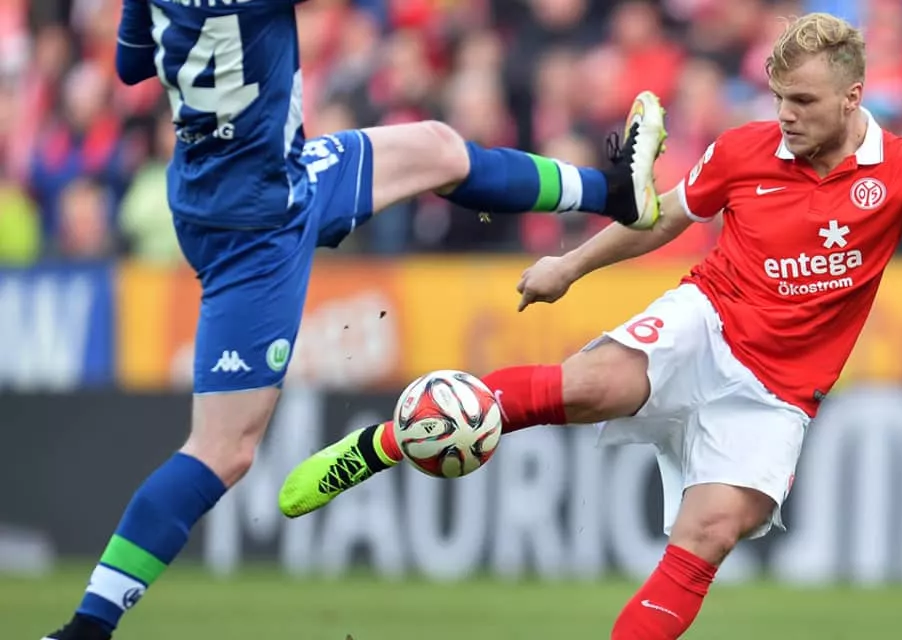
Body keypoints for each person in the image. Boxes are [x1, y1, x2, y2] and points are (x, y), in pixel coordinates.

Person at [279, 12, 902, 640]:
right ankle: (382, 444)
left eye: (803, 101)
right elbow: (665, 217)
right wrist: (568, 266)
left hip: (779, 391)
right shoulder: (745, 150)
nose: (785, 115)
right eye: (779, 97)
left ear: (853, 98)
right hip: (707, 320)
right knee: (591, 387)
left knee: (710, 532)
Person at [42, 1, 667, 639]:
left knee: (436, 149)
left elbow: (129, 66)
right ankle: (89, 626)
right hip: (257, 224)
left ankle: (613, 192)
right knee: (222, 449)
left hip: (245, 180)